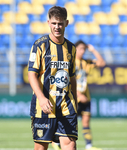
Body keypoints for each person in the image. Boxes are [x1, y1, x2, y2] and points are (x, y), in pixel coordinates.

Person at [28, 6, 78, 150]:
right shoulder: (40, 45)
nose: (57, 27)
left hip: (66, 106)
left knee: (70, 145)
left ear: (66, 23)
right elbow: (32, 74)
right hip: (44, 107)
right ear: (48, 22)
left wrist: (75, 101)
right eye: (54, 23)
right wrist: (42, 98)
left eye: (60, 23)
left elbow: (72, 77)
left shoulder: (71, 48)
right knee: (40, 147)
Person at [52, 41, 106, 150]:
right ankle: (56, 141)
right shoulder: (69, 61)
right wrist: (78, 94)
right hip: (73, 97)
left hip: (86, 97)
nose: (82, 51)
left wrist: (93, 50)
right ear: (75, 49)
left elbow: (101, 63)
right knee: (67, 122)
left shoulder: (86, 62)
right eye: (80, 49)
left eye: (84, 49)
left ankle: (89, 145)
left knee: (86, 121)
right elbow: (65, 81)